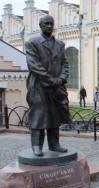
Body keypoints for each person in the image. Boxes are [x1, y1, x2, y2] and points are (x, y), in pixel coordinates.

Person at [25, 15, 70, 157]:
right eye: (46, 24)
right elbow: (34, 65)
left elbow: (65, 64)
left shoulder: (60, 44)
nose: (49, 26)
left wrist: (62, 78)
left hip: (56, 87)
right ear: (40, 26)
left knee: (54, 115)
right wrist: (51, 80)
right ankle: (37, 146)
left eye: (51, 23)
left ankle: (54, 145)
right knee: (39, 116)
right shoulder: (32, 43)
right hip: (39, 86)